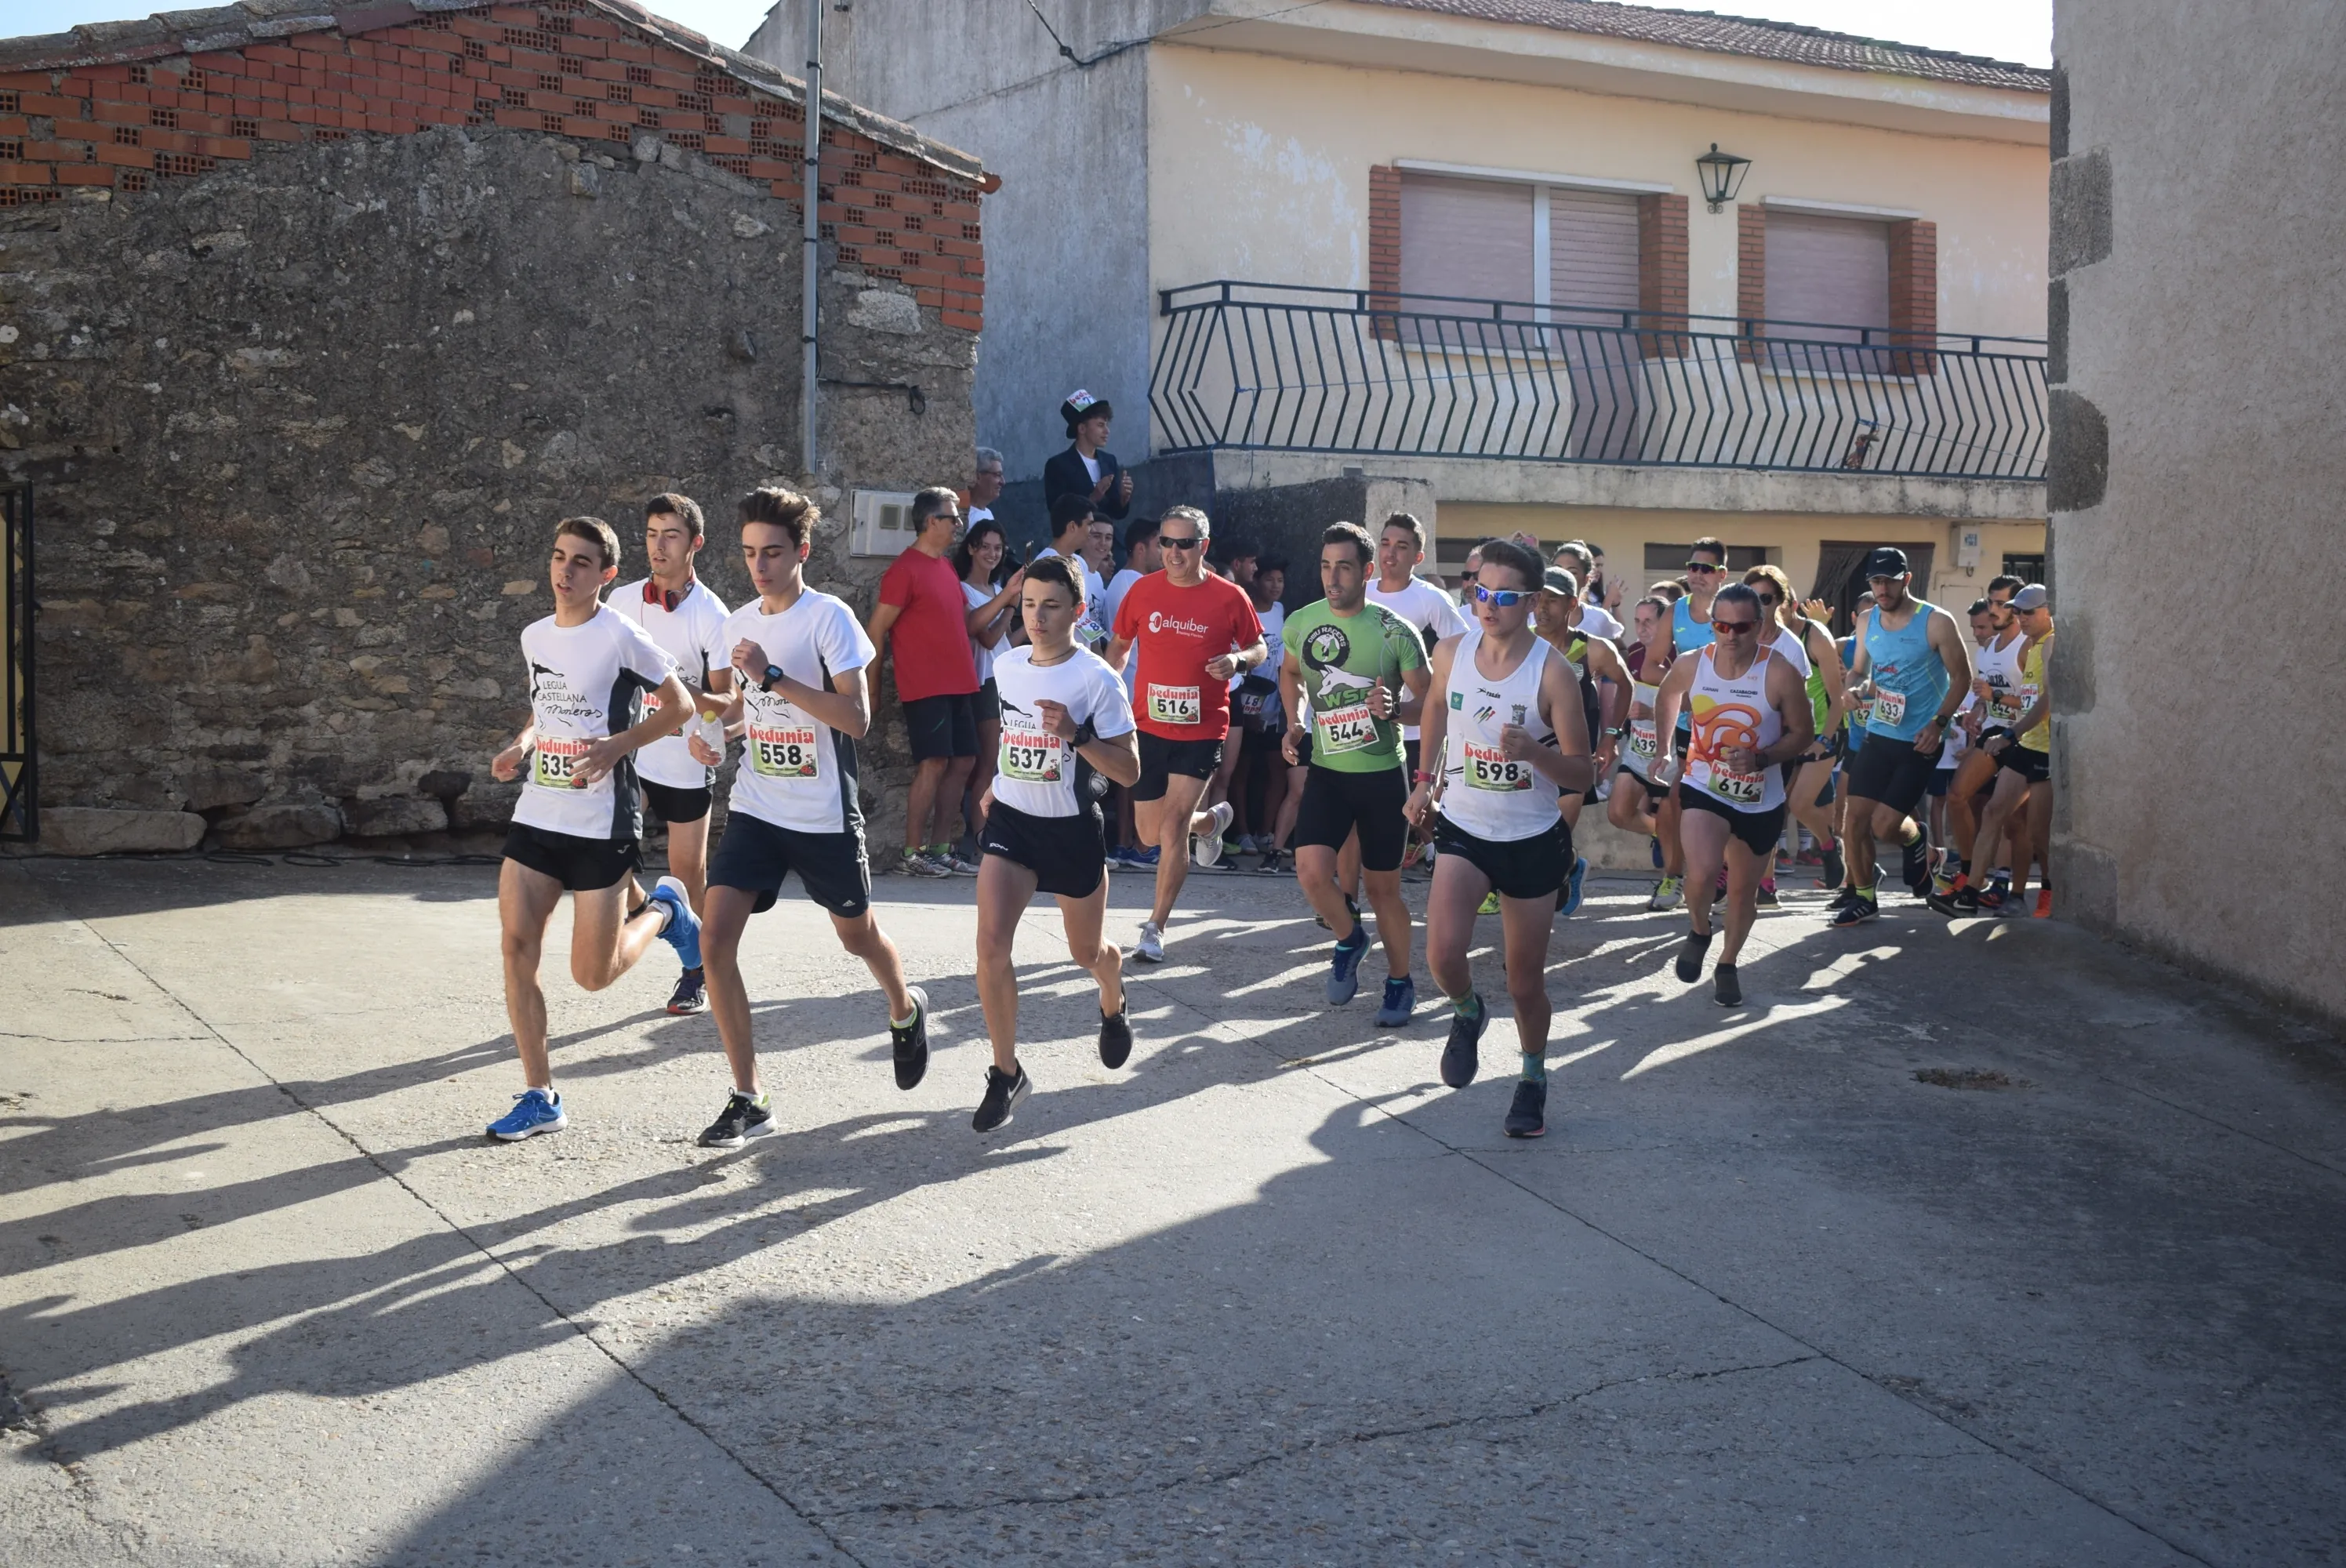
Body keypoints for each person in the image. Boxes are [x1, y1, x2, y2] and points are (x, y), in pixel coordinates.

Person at [695, 487, 932, 1147]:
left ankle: (904, 1007)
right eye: (750, 553)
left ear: (801, 551)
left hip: (823, 814)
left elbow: (855, 718)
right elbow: (744, 711)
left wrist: (773, 677)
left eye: (772, 552)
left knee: (858, 937)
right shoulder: (737, 623)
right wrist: (715, 733)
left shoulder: (829, 618)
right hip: (757, 807)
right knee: (715, 941)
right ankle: (750, 1097)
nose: (759, 566)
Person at [485, 516, 699, 1141]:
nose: (565, 570)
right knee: (516, 948)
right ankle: (541, 1096)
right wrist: (523, 744)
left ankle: (665, 911)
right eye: (559, 557)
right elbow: (545, 704)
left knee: (592, 975)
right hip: (538, 812)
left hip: (601, 821)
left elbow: (681, 705)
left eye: (581, 562)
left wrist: (617, 746)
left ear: (606, 574)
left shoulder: (621, 636)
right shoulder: (535, 636)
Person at [1404, 538, 1592, 1138]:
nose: (1488, 605)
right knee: (1442, 955)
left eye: (1505, 597)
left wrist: (1535, 753)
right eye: (1479, 591)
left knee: (1524, 983)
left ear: (1533, 602)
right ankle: (1468, 1011)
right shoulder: (1451, 652)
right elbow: (1435, 707)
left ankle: (1532, 1075)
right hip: (1465, 827)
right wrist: (1425, 780)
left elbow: (1582, 774)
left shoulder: (1553, 673)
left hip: (1531, 839)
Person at [970, 557, 1142, 1131]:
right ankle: (1006, 1073)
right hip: (1012, 824)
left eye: (1050, 606)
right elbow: (1013, 737)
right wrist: (997, 783)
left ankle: (1113, 997)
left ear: (1078, 610)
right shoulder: (1007, 665)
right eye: (1028, 605)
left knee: (1086, 953)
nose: (1037, 617)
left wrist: (1077, 734)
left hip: (1070, 830)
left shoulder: (1097, 678)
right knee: (991, 946)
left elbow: (1129, 771)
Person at [1279, 523, 1432, 1026]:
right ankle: (1350, 937)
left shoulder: (1395, 632)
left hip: (1382, 775)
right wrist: (1295, 719)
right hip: (1328, 771)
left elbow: (1432, 702)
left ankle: (1399, 982)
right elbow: (1290, 672)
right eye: (1326, 566)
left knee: (1384, 890)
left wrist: (1396, 709)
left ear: (1366, 572)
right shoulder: (1302, 622)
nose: (1332, 577)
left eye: (1343, 567)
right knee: (1310, 873)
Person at [1105, 504, 1267, 962]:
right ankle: (1211, 822)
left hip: (1203, 727)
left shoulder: (1229, 596)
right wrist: (1104, 696)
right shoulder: (1142, 591)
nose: (1174, 552)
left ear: (1204, 547)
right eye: (1167, 543)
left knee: (1173, 826)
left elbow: (1256, 646)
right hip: (1148, 726)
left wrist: (1237, 661)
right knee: (1150, 833)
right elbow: (1119, 647)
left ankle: (1154, 927)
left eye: (1185, 544)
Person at [1651, 583, 1816, 1004]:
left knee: (1743, 890)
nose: (1730, 635)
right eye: (1721, 626)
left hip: (1761, 798)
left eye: (1741, 627)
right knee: (1703, 871)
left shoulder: (1779, 671)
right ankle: (1699, 929)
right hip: (1704, 784)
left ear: (1758, 626)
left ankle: (1727, 963)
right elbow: (1668, 695)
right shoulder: (1693, 664)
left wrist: (1762, 758)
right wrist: (1664, 747)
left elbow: (1804, 733)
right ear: (1712, 625)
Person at [608, 493, 734, 1015]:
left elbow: (728, 699)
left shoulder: (712, 613)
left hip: (685, 760)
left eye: (671, 536)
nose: (658, 546)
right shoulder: (620, 600)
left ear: (695, 543)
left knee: (687, 877)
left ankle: (695, 971)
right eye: (652, 534)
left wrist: (680, 695)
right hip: (632, 754)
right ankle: (653, 914)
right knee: (606, 855)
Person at [1833, 547, 1974, 927]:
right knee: (1853, 821)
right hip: (1879, 732)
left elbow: (1962, 677)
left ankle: (1916, 840)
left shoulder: (1936, 621)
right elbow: (1859, 670)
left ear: (1907, 580)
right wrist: (1853, 689)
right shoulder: (1867, 621)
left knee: (1884, 827)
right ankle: (1864, 897)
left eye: (1889, 581)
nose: (1882, 589)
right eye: (1876, 582)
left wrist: (1939, 723)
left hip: (1920, 740)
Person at [868, 487, 981, 877]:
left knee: (964, 761)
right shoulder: (904, 570)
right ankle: (911, 853)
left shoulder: (945, 567)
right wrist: (871, 691)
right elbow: (876, 630)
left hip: (961, 682)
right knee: (933, 763)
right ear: (932, 521)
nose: (959, 524)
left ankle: (941, 848)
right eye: (953, 517)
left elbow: (962, 624)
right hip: (926, 685)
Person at [1366, 513, 1469, 868]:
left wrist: (1438, 692)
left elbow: (1462, 649)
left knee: (1419, 807)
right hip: (1364, 725)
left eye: (1401, 546)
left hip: (1415, 725)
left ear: (1418, 556)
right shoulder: (1361, 592)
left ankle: (1466, 853)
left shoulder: (1431, 599)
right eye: (1385, 544)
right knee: (1374, 805)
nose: (1390, 553)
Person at [1745, 564, 1850, 902]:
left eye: (1767, 599)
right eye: (1754, 599)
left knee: (1801, 803)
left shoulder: (1812, 636)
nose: (1760, 606)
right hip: (1782, 737)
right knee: (1773, 809)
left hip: (1824, 731)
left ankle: (1830, 846)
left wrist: (1824, 739)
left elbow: (1838, 697)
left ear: (1785, 602)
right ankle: (1766, 886)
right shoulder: (1748, 636)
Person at [1531, 565, 1627, 916]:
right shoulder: (1520, 643)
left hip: (1574, 760)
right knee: (1530, 842)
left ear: (1572, 604)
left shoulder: (1592, 649)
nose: (1542, 608)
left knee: (1553, 838)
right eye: (1538, 599)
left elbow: (1626, 684)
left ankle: (1562, 869)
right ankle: (1568, 865)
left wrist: (1611, 736)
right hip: (1531, 757)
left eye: (1553, 600)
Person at [1931, 580, 2027, 913]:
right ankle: (1970, 874)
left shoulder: (2028, 646)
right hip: (1994, 732)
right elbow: (1985, 700)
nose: (1993, 609)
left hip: (2024, 736)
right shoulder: (1986, 649)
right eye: (1991, 602)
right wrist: (1976, 713)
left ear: (2017, 607)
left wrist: (1994, 696)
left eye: (2001, 604)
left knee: (2012, 819)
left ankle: (2012, 889)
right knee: (1958, 797)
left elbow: (2036, 703)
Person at [1966, 584, 2054, 916]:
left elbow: (2048, 701)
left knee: (2039, 834)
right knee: (1993, 811)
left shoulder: (2051, 644)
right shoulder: (2031, 646)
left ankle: (2049, 892)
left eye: (2029, 612)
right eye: (2017, 611)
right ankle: (1969, 893)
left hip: (2045, 749)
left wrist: (2009, 732)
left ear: (2048, 610)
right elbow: (2029, 698)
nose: (2021, 617)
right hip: (2026, 743)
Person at [1606, 595, 1680, 887]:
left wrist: (1652, 713)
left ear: (1665, 623)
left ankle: (1672, 881)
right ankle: (1666, 833)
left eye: (1649, 621)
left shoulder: (1680, 657)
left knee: (1671, 821)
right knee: (1618, 813)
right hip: (1637, 752)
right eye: (1637, 621)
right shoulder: (1634, 652)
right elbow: (1624, 697)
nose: (1642, 628)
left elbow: (1693, 707)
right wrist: (1614, 733)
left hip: (1671, 759)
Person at [958, 518, 1023, 848]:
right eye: (985, 546)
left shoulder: (998, 590)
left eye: (998, 548)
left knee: (999, 762)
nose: (992, 554)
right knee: (987, 762)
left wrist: (1016, 608)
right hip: (984, 682)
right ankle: (981, 840)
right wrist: (1009, 601)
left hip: (1004, 681)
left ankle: (993, 834)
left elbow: (1004, 639)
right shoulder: (964, 589)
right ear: (971, 548)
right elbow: (983, 636)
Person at [1229, 555, 1291, 866]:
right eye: (1269, 579)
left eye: (1280, 580)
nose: (1275, 586)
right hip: (1245, 700)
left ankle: (1266, 832)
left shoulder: (1281, 611)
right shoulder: (1246, 610)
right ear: (1257, 580)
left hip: (1275, 705)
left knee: (1277, 769)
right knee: (1241, 770)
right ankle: (1242, 833)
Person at [1041, 388, 1132, 521]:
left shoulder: (1109, 461)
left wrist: (1124, 498)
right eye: (1100, 425)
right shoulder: (1058, 465)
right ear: (1082, 428)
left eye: (1106, 425)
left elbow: (1117, 513)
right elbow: (1058, 513)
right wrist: (1093, 498)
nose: (1107, 431)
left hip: (1107, 533)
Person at [1036, 493, 1111, 651]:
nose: (1092, 530)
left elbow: (1086, 620)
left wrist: (1098, 657)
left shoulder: (1080, 562)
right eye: (1089, 524)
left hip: (1082, 657)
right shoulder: (1045, 564)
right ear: (1072, 527)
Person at [966, 446, 1004, 528]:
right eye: (997, 475)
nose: (1003, 482)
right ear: (978, 477)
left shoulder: (987, 513)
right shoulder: (965, 518)